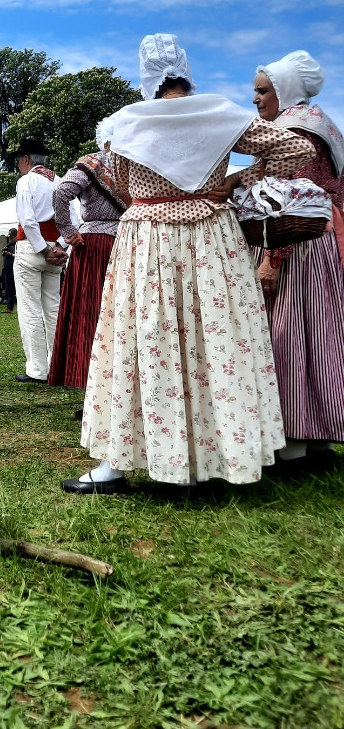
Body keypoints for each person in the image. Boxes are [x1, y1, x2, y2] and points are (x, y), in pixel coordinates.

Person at [64, 34, 313, 494]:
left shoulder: (123, 123)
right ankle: (223, 455)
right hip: (211, 240)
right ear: (186, 70)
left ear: (145, 74)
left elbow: (118, 181)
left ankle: (115, 464)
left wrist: (155, 196)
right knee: (214, 341)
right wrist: (235, 180)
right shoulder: (219, 114)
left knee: (143, 341)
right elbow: (297, 150)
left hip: (148, 241)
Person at [249, 51, 344, 472]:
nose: (256, 99)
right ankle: (319, 441)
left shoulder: (292, 129)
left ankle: (290, 445)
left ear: (284, 90)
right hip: (321, 246)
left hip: (294, 244)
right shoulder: (325, 126)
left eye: (263, 90)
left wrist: (273, 257)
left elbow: (290, 199)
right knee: (319, 337)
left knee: (287, 336)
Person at [48, 113, 127, 388]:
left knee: (90, 310)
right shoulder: (137, 165)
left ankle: (86, 375)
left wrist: (68, 231)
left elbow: (61, 192)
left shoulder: (92, 163)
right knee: (122, 310)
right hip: (130, 240)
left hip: (94, 244)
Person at [12, 137, 69, 383]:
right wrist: (59, 246)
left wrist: (43, 249)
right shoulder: (60, 180)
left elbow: (27, 219)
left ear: (26, 160)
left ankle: (37, 369)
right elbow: (73, 220)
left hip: (32, 250)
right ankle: (56, 364)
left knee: (30, 311)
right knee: (53, 309)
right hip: (55, 250)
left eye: (18, 161)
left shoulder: (27, 181)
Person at [0, 228, 18, 313]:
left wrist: (11, 254)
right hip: (8, 270)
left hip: (15, 269)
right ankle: (9, 308)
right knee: (9, 288)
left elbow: (20, 255)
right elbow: (4, 250)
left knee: (18, 289)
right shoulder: (9, 245)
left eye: (12, 237)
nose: (10, 239)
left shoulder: (19, 245)